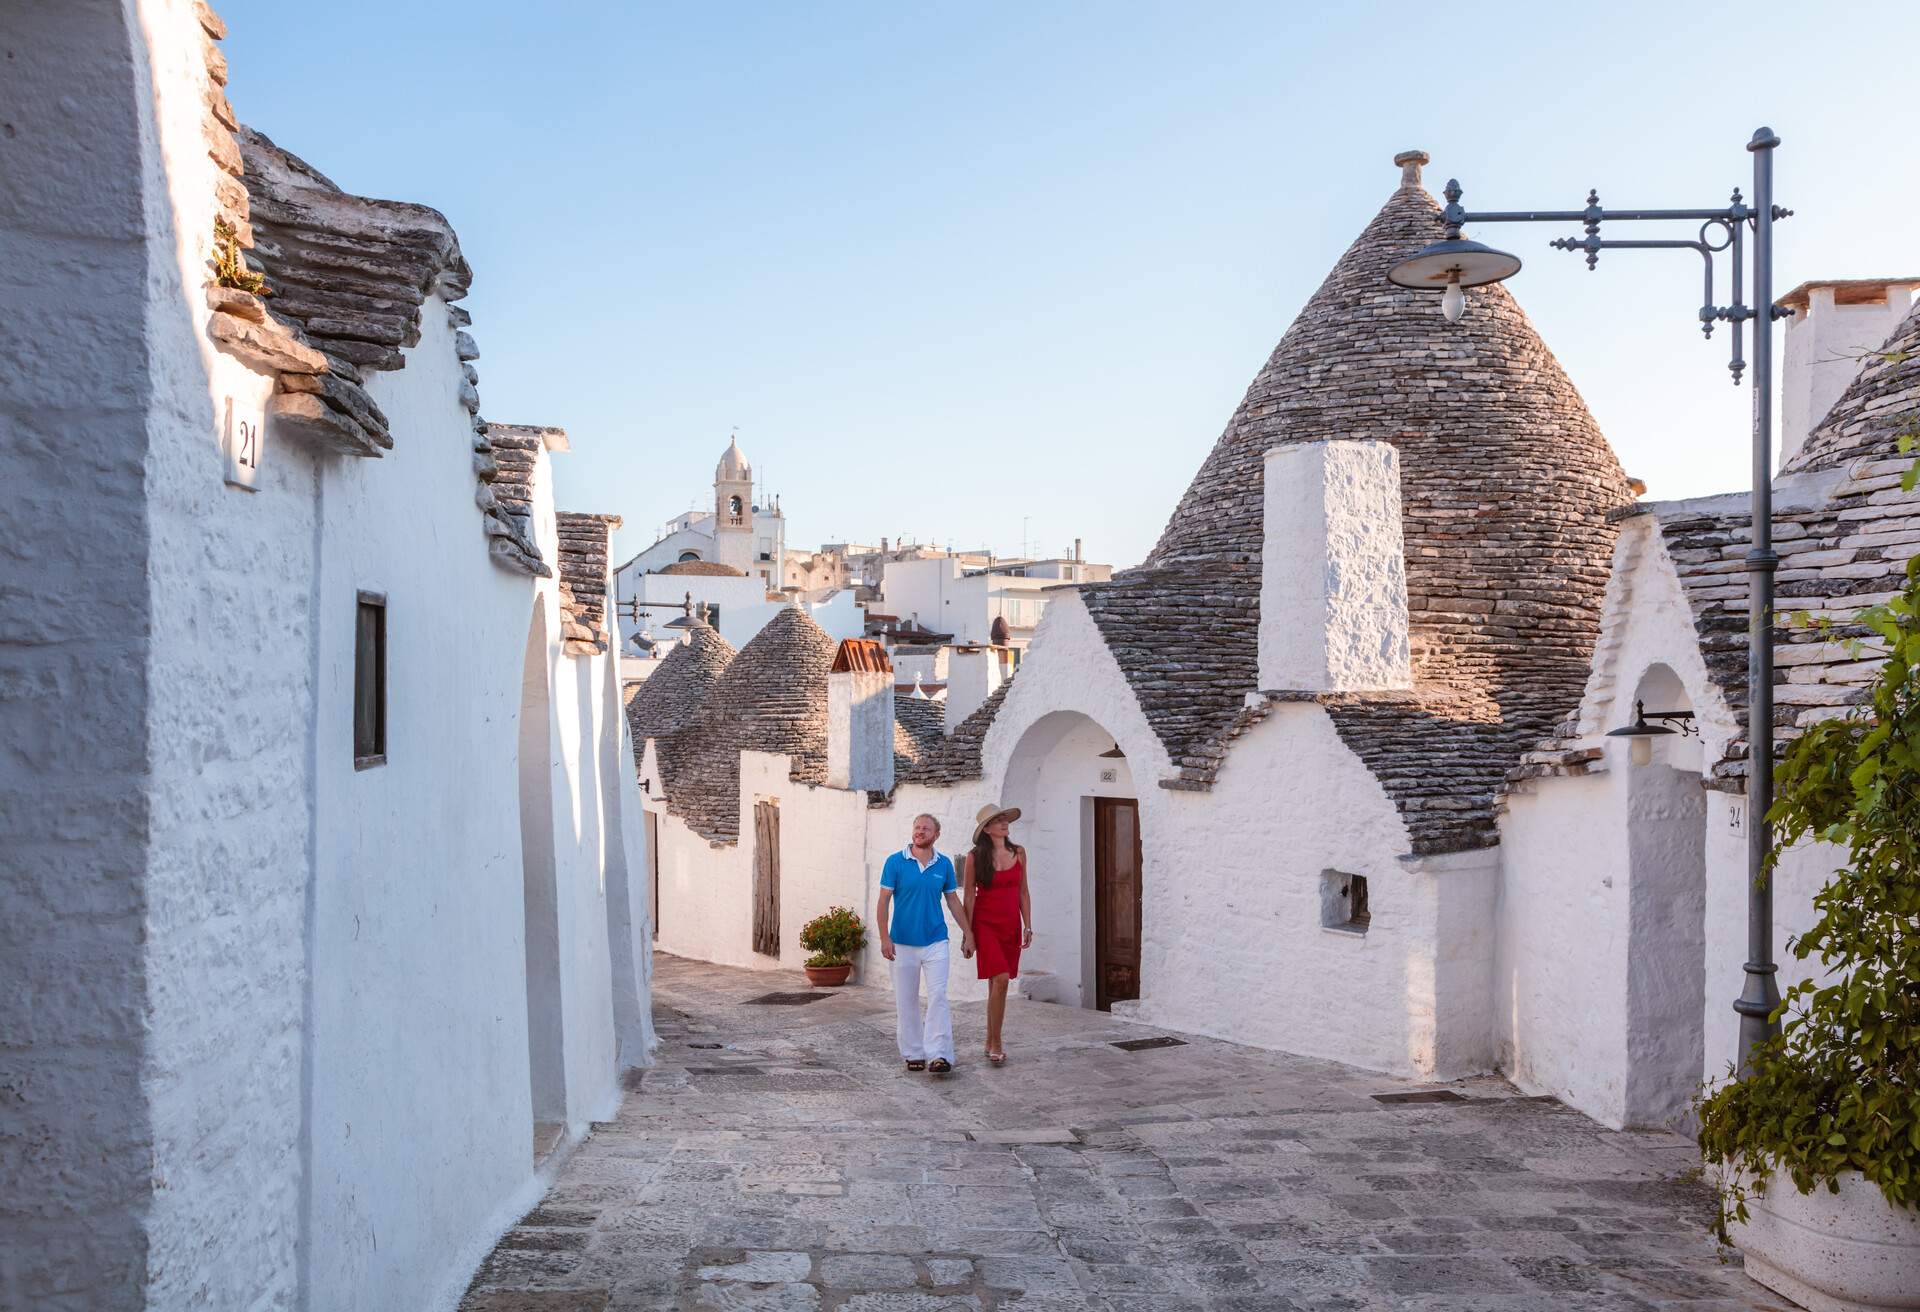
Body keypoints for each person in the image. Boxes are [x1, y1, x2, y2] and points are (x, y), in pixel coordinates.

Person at [876, 813, 973, 1075]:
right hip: (903, 943)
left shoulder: (943, 865)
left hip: (935, 940)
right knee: (906, 999)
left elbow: (953, 901)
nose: (919, 831)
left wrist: (968, 933)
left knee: (939, 996)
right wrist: (885, 937)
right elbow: (883, 901)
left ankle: (939, 1054)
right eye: (917, 827)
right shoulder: (895, 862)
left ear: (936, 834)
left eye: (926, 828)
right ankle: (914, 1053)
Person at [963, 804, 1032, 1067]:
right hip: (985, 924)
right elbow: (969, 895)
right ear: (987, 829)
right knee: (1001, 979)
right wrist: (968, 934)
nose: (1005, 823)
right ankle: (997, 1043)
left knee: (997, 983)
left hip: (1011, 925)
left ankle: (989, 1039)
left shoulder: (1019, 853)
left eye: (1005, 819)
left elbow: (1023, 892)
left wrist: (1028, 925)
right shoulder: (974, 857)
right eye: (998, 820)